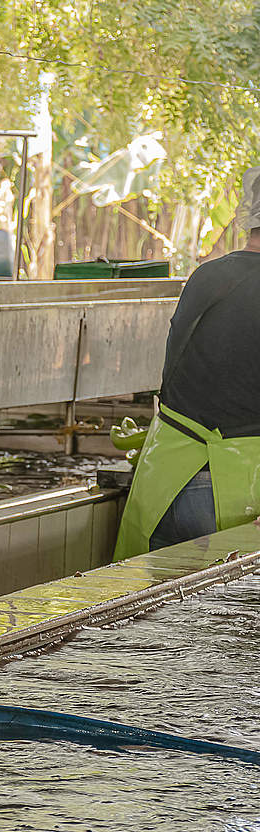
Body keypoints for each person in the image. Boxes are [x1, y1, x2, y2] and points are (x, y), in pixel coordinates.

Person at [114, 166, 260, 559]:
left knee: (149, 615)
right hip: (237, 492)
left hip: (165, 482)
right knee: (222, 621)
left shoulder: (205, 275)